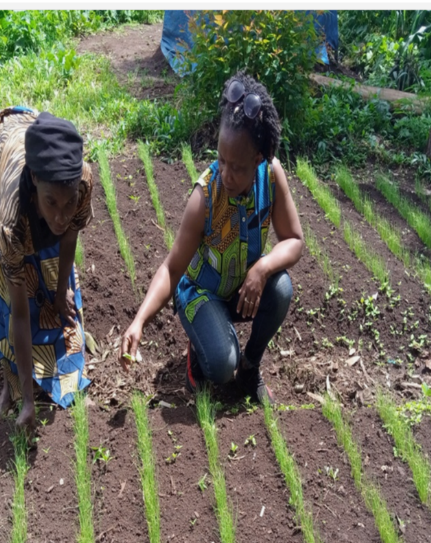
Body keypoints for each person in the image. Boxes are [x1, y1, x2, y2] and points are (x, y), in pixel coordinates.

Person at [121, 72, 305, 405]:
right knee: (221, 367)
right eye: (221, 160)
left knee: (281, 288)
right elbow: (172, 269)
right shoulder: (205, 196)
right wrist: (139, 321)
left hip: (240, 285)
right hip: (200, 292)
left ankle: (250, 367)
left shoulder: (272, 175)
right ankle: (202, 347)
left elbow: (294, 239)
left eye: (236, 167)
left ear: (259, 160)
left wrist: (262, 270)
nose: (226, 173)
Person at [0, 107, 94, 432]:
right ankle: (11, 382)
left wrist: (61, 292)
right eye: (51, 203)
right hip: (0, 145)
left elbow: (69, 230)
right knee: (13, 277)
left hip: (34, 131)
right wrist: (28, 401)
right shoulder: (12, 218)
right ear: (34, 181)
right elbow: (19, 314)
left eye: (68, 202)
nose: (61, 214)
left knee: (55, 265)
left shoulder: (81, 180)